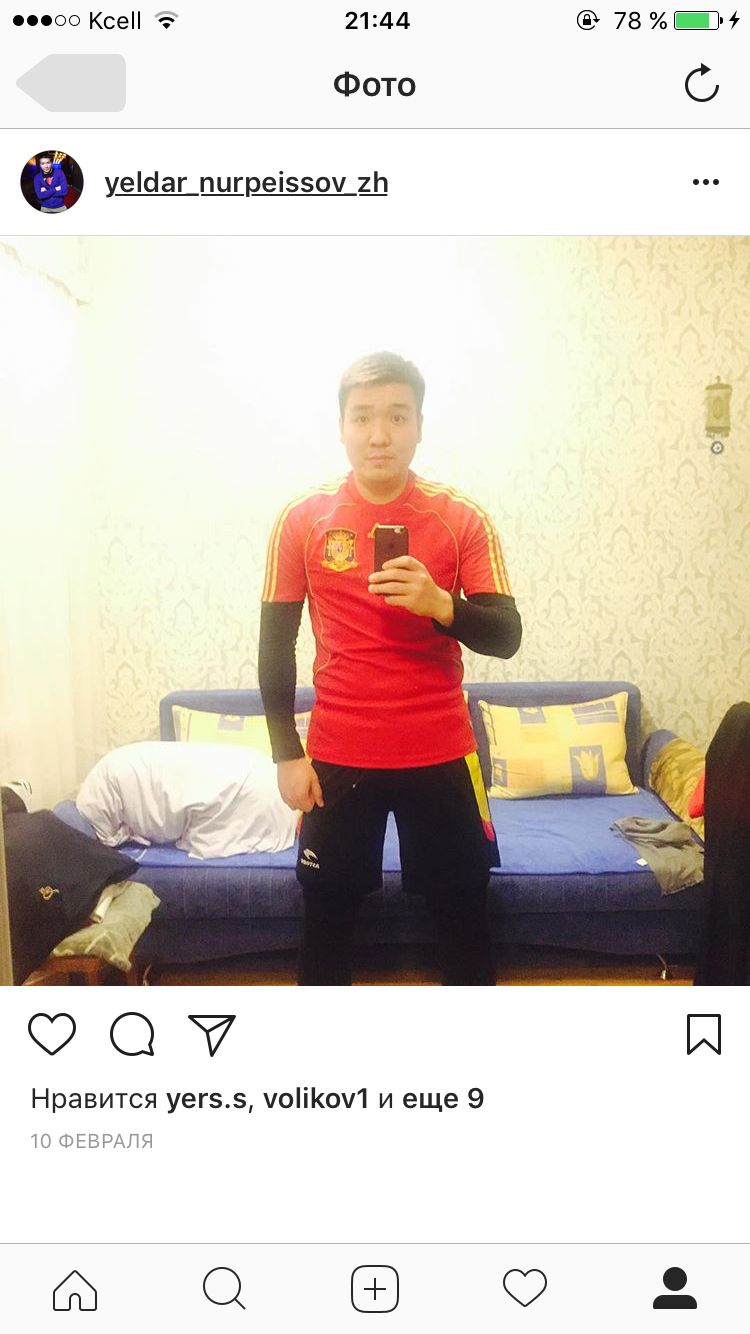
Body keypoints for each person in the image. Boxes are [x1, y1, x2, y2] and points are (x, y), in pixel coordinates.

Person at [258, 351, 522, 985]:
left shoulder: (460, 517)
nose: (380, 434)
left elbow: (507, 636)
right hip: (339, 755)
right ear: (342, 427)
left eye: (398, 416)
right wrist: (286, 754)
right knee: (326, 921)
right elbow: (275, 644)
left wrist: (441, 606)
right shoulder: (303, 519)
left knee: (463, 918)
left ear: (420, 426)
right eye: (363, 417)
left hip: (442, 751)